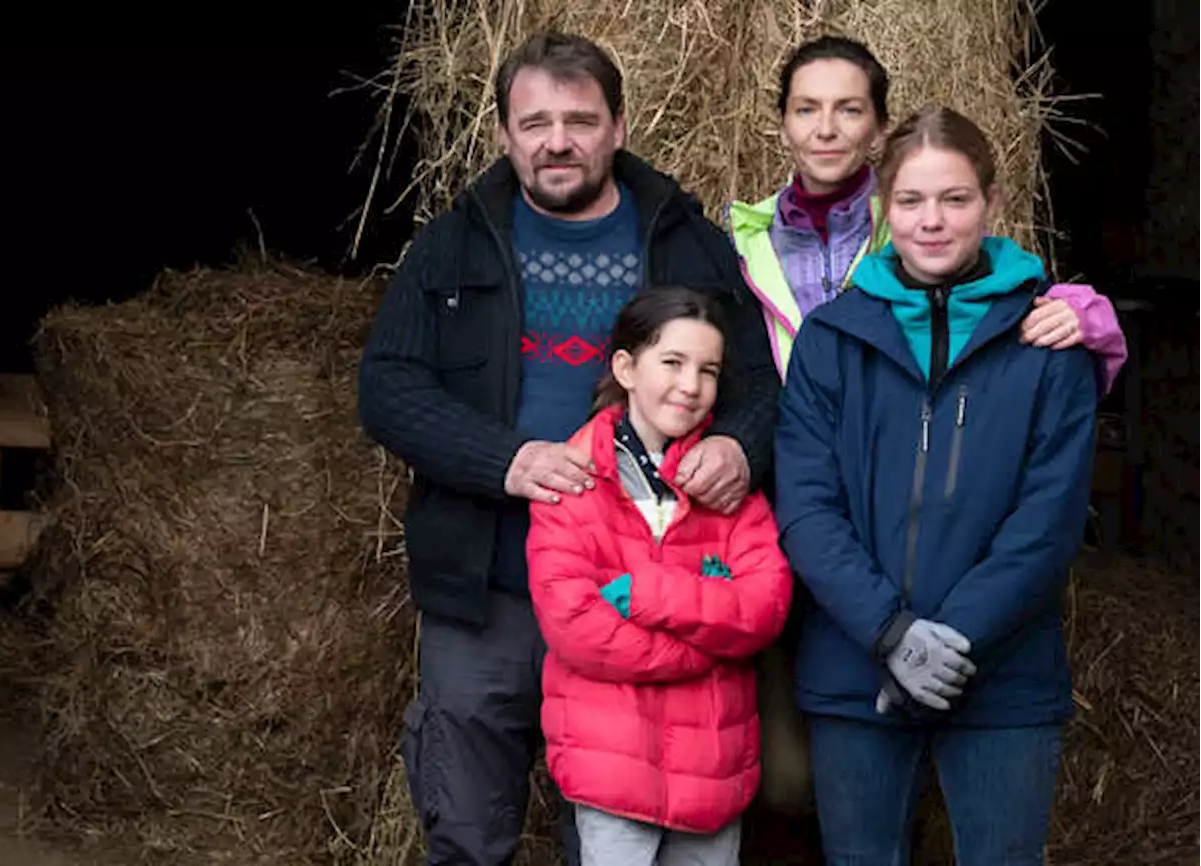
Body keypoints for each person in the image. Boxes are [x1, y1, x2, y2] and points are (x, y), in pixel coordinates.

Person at [357, 31, 780, 866]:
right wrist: (505, 460)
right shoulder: (456, 243)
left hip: (642, 586)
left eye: (579, 120)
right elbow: (388, 389)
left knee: (618, 826)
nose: (557, 141)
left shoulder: (682, 240)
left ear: (618, 127)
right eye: (535, 122)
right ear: (507, 134)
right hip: (492, 583)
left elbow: (760, 383)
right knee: (471, 819)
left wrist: (738, 445)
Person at [725, 34, 1127, 820]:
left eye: (956, 200)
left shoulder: (1047, 339)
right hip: (853, 663)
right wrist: (888, 632)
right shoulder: (834, 338)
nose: (933, 222)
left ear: (994, 203)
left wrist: (957, 635)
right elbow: (809, 504)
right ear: (884, 207)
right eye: (911, 202)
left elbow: (1046, 522)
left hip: (1003, 674)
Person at [526, 285, 794, 866]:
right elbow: (576, 626)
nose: (690, 385)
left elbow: (764, 605)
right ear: (625, 366)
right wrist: (705, 647)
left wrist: (646, 595)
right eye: (671, 362)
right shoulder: (573, 477)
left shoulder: (728, 488)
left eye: (708, 370)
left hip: (712, 768)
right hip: (612, 763)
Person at [727, 35, 1127, 388]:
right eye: (806, 109)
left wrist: (1088, 315)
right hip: (790, 459)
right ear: (782, 126)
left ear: (881, 126)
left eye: (849, 109)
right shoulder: (744, 239)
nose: (826, 128)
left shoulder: (916, 223)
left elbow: (997, 279)